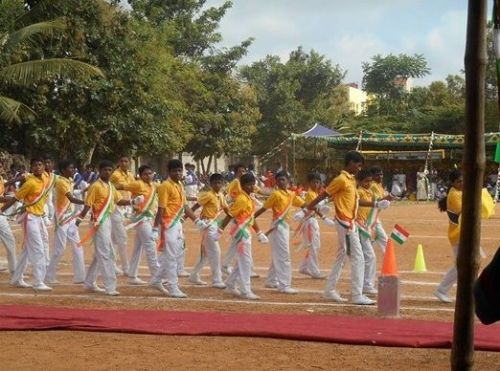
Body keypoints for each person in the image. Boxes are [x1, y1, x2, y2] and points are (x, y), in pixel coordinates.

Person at [297, 151, 390, 305]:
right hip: (345, 223)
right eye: (358, 165)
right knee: (358, 258)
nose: (359, 168)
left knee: (342, 257)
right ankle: (356, 294)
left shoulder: (351, 180)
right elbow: (324, 195)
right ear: (350, 163)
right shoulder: (341, 179)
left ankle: (330, 290)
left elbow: (355, 200)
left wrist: (376, 204)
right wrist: (307, 208)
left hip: (348, 222)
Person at [78, 160, 143, 296]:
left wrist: (132, 202)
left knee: (100, 253)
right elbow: (87, 204)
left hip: (107, 220)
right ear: (99, 171)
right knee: (106, 253)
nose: (107, 172)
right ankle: (110, 285)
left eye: (110, 170)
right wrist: (79, 219)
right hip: (98, 222)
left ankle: (89, 282)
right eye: (105, 170)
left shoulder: (111, 187)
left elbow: (118, 200)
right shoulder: (95, 186)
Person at [149, 159, 209, 298]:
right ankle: (172, 286)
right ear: (169, 172)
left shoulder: (180, 185)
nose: (177, 173)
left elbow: (185, 206)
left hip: (177, 224)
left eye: (179, 170)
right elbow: (161, 209)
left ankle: (157, 279)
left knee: (175, 254)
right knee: (171, 257)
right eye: (174, 170)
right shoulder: (165, 186)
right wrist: (154, 228)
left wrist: (197, 220)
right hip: (168, 224)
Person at [2, 157, 53, 291]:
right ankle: (38, 281)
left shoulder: (47, 178)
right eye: (35, 165)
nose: (38, 167)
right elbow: (15, 198)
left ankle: (17, 278)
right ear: (31, 168)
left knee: (26, 250)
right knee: (37, 248)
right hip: (29, 218)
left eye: (40, 164)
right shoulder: (30, 183)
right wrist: (1, 209)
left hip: (39, 218)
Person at [218, 173, 269, 300]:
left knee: (242, 261)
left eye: (253, 184)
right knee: (246, 261)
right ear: (242, 185)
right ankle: (245, 290)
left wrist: (259, 232)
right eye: (248, 184)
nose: (251, 187)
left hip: (245, 230)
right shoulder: (241, 199)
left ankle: (230, 283)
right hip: (241, 232)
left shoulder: (248, 198)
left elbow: (251, 217)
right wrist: (219, 230)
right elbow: (230, 215)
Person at [114, 165, 160, 285]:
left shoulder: (154, 185)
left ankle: (132, 275)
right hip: (141, 219)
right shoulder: (138, 184)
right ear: (140, 175)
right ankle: (157, 276)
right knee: (150, 246)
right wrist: (107, 187)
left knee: (138, 249)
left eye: (150, 173)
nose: (148, 176)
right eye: (145, 174)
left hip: (149, 218)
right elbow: (119, 186)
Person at [45, 160, 86, 284]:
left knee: (78, 246)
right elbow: (71, 199)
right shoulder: (61, 182)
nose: (73, 170)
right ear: (63, 170)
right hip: (62, 219)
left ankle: (80, 277)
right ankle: (49, 276)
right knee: (59, 249)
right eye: (70, 168)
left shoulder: (69, 181)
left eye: (73, 167)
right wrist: (86, 202)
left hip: (71, 218)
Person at [189, 173, 229, 288]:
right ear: (211, 184)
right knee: (215, 252)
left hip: (214, 224)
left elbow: (227, 210)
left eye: (219, 183)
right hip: (207, 224)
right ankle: (217, 279)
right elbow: (195, 206)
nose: (217, 185)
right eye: (215, 183)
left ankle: (194, 275)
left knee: (206, 253)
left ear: (222, 184)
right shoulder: (208, 195)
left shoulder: (221, 196)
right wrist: (187, 218)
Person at [297, 173, 329, 279]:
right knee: (313, 246)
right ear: (309, 183)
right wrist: (323, 216)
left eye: (318, 182)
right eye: (313, 182)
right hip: (309, 221)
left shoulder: (315, 194)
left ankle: (304, 267)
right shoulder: (311, 194)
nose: (316, 184)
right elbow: (314, 207)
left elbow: (316, 207)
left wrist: (322, 211)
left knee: (315, 245)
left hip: (313, 221)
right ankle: (315, 271)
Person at [109, 155, 135, 276]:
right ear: (119, 162)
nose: (124, 163)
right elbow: (110, 187)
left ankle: (112, 265)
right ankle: (126, 267)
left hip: (126, 207)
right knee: (122, 238)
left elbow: (134, 188)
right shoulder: (115, 175)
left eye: (126, 161)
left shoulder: (130, 174)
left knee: (114, 239)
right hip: (116, 207)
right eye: (122, 161)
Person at [355, 170, 380, 295]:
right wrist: (375, 203)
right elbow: (358, 201)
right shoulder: (359, 191)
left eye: (370, 181)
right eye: (366, 181)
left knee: (365, 256)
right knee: (370, 256)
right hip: (359, 226)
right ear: (359, 181)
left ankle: (366, 283)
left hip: (366, 225)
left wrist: (387, 199)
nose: (369, 183)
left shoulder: (370, 192)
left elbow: (375, 204)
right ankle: (367, 284)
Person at [369, 167, 392, 254]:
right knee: (383, 240)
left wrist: (389, 198)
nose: (381, 176)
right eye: (378, 175)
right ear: (372, 176)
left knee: (376, 240)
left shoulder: (379, 186)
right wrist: (390, 196)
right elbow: (378, 201)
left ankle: (388, 262)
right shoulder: (373, 185)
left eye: (381, 174)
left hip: (374, 216)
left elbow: (382, 202)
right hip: (370, 217)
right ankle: (388, 262)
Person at [0, 161, 17, 274]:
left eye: (1, 165)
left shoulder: (1, 178)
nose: (1, 167)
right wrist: (14, 199)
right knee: (10, 241)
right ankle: (15, 271)